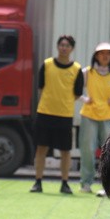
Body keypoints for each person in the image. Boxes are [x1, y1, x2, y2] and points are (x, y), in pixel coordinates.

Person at [30, 35, 83, 195]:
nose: (64, 48)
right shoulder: (47, 65)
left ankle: (65, 183)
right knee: (41, 148)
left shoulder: (77, 69)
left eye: (67, 46)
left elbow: (77, 93)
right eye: (61, 45)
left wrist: (63, 102)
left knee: (65, 151)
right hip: (45, 113)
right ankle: (38, 181)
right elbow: (40, 88)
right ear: (57, 46)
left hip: (64, 115)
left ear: (72, 49)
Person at [78, 42, 110, 195]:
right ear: (96, 56)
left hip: (108, 116)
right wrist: (84, 99)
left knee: (108, 151)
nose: (105, 56)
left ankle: (107, 185)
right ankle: (86, 183)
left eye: (108, 53)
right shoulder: (87, 72)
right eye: (102, 53)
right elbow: (75, 90)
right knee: (87, 150)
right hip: (89, 114)